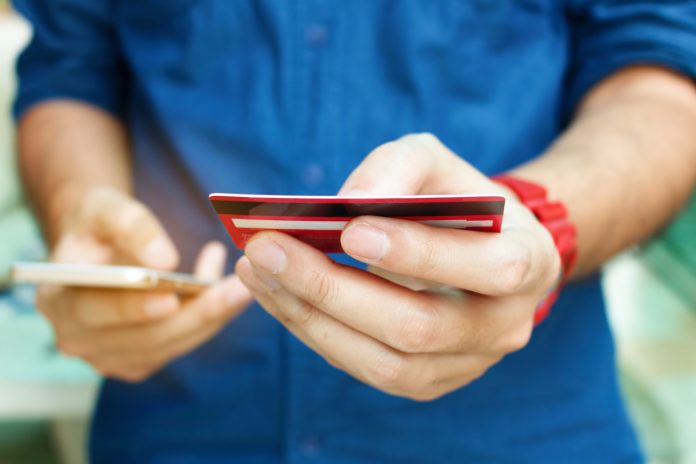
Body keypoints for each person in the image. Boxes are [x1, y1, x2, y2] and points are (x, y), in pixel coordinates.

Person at [12, 1, 696, 462]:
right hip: (177, 423)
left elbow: (661, 80)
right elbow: (70, 69)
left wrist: (540, 222)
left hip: (523, 430)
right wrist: (82, 214)